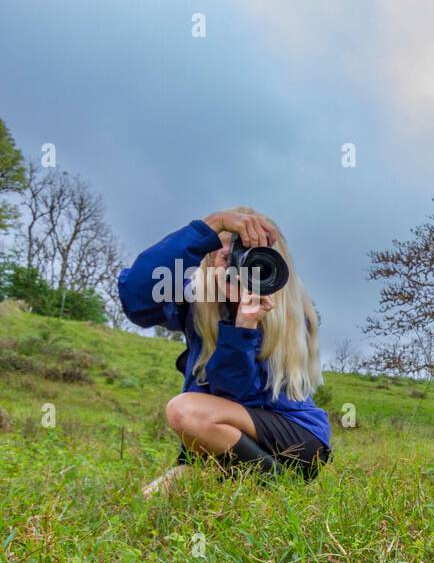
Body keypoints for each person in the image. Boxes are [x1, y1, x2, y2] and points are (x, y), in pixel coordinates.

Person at [117, 207, 331, 496]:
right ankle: (235, 480)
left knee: (185, 412)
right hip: (223, 437)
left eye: (249, 257)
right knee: (148, 499)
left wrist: (244, 326)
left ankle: (283, 489)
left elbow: (237, 394)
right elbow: (136, 298)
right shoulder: (198, 302)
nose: (237, 268)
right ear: (210, 262)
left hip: (293, 438)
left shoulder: (287, 316)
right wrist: (208, 227)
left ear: (271, 264)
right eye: (227, 256)